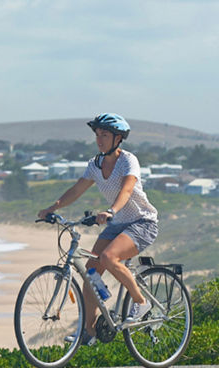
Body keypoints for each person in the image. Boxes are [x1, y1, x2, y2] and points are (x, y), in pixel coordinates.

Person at [37, 113, 160, 345]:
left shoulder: (128, 161)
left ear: (118, 138)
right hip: (116, 225)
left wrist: (111, 211)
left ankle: (141, 302)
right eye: (97, 134)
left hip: (142, 223)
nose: (99, 139)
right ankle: (90, 331)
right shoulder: (95, 165)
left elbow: (126, 190)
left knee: (108, 257)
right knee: (91, 273)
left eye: (105, 135)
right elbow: (76, 190)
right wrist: (52, 208)